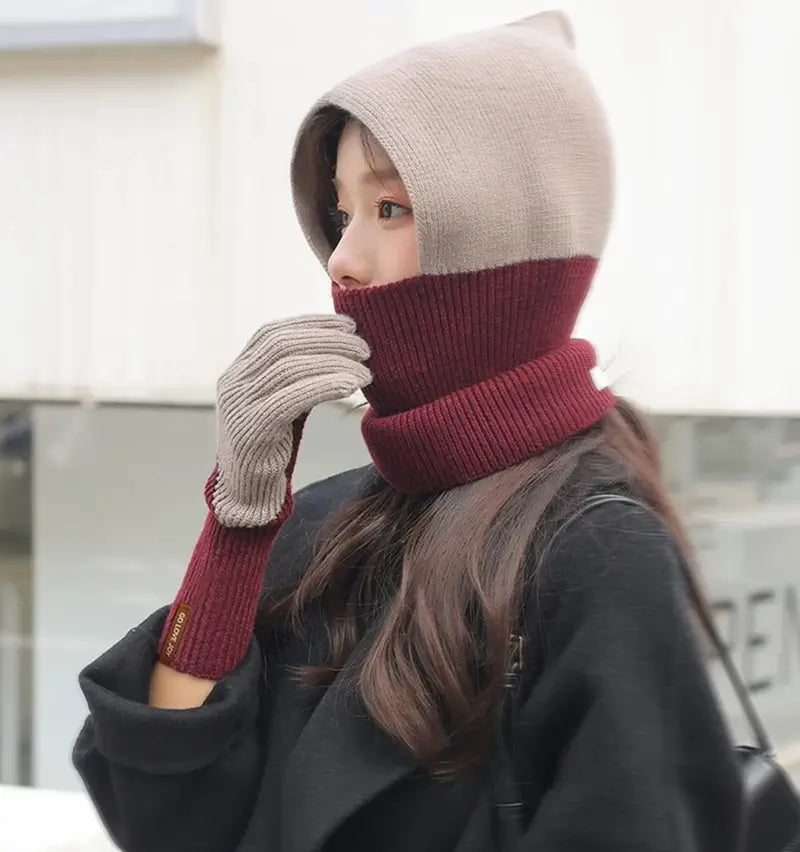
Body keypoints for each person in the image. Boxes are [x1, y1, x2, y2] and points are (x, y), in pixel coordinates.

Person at [73, 11, 744, 852]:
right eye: (341, 212)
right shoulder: (326, 522)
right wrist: (237, 524)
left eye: (390, 207)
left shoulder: (598, 553)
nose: (342, 260)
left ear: (505, 235)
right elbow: (165, 820)